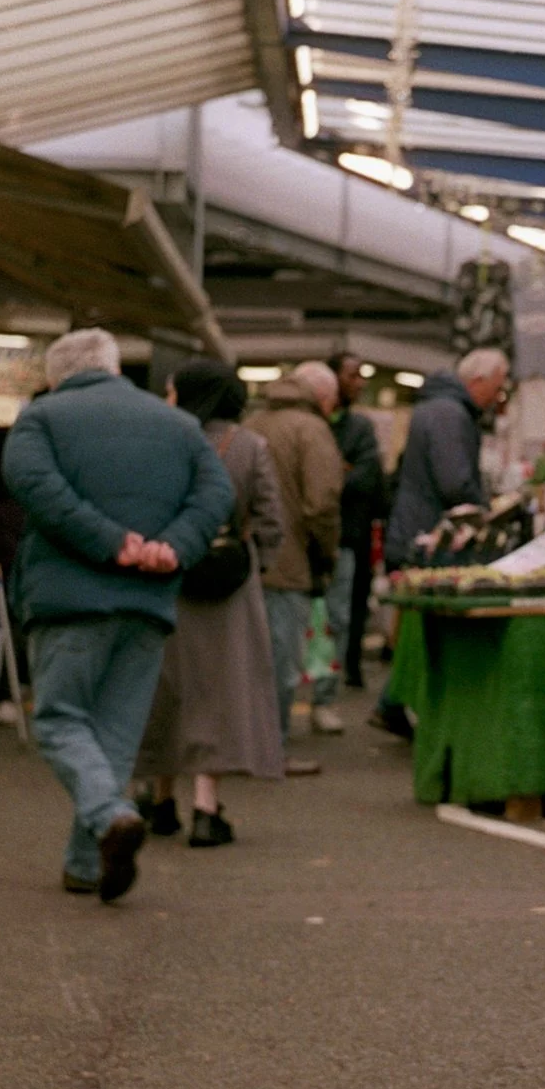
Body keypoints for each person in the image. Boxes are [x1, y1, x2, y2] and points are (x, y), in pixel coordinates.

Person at [4, 328, 233, 901]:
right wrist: (172, 546)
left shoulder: (43, 419)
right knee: (112, 739)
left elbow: (33, 484)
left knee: (59, 722)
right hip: (148, 604)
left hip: (71, 599)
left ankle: (108, 818)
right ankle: (86, 865)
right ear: (112, 369)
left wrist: (112, 541)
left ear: (56, 376)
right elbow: (216, 494)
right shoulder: (179, 426)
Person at [133, 358, 287, 847]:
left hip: (168, 579)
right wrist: (252, 562)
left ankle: (159, 799)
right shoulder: (249, 446)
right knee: (219, 694)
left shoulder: (161, 443)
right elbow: (270, 520)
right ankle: (205, 807)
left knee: (165, 690)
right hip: (228, 592)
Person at [254, 364, 345, 753]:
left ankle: (244, 739)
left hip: (246, 563)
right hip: (288, 563)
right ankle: (271, 742)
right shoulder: (312, 430)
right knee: (281, 658)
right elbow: (321, 503)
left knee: (247, 658)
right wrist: (327, 553)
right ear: (322, 398)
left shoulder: (252, 423)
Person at [384, 345, 508, 567]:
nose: (497, 397)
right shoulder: (449, 415)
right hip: (429, 538)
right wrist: (484, 510)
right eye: (496, 388)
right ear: (478, 380)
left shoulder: (437, 407)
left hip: (416, 530)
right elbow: (453, 482)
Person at [322, 352, 386, 693]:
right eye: (352, 375)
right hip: (318, 535)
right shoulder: (315, 423)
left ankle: (340, 675)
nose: (360, 382)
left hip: (350, 534)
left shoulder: (360, 428)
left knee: (343, 612)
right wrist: (338, 471)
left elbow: (364, 478)